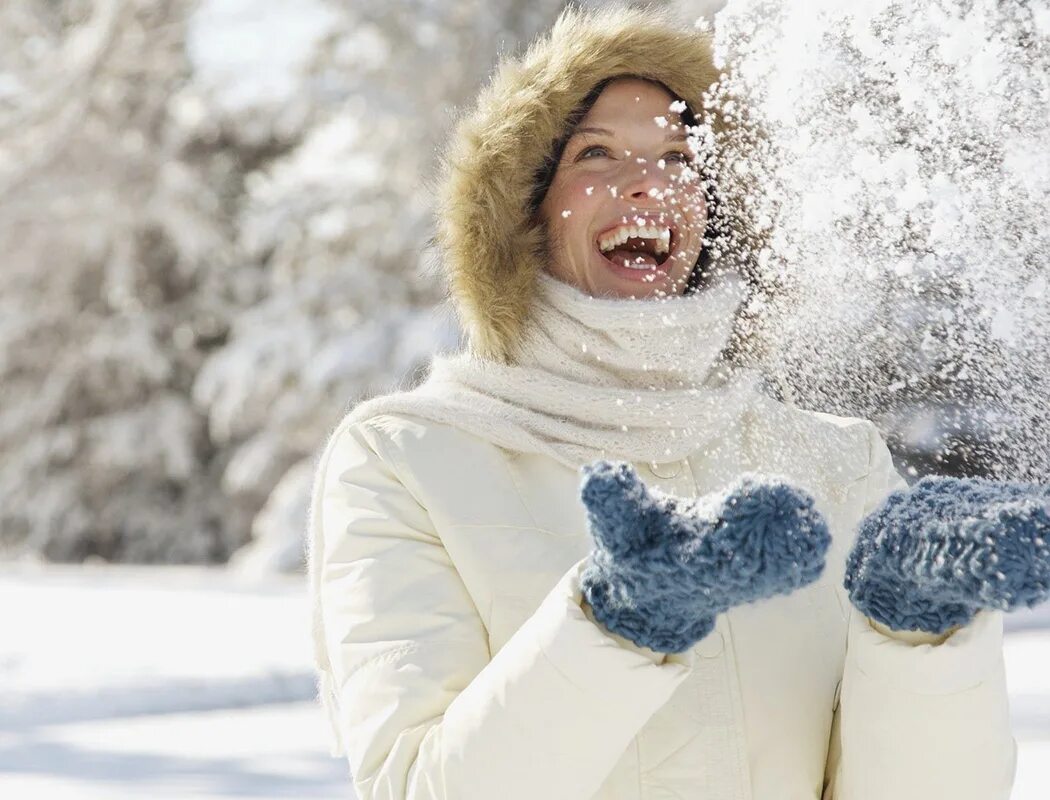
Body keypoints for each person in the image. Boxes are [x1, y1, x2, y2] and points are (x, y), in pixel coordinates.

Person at [306, 5, 1017, 799]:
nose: (648, 182)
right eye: (596, 153)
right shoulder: (409, 459)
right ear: (522, 212)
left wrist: (919, 633)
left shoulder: (837, 462)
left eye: (680, 154)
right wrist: (615, 623)